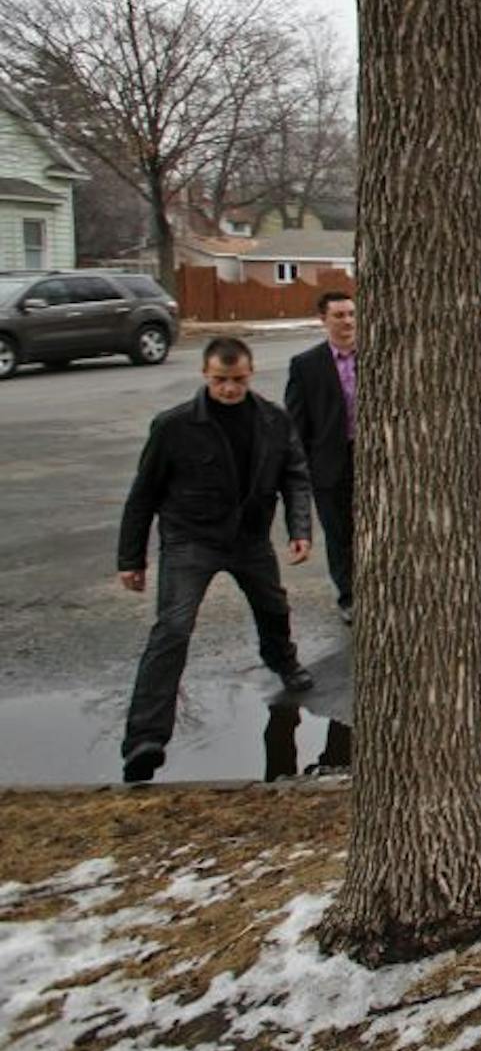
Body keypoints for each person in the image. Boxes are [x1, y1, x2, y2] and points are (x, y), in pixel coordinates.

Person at [118, 336, 314, 784]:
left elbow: (295, 476)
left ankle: (282, 659)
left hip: (249, 538)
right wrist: (131, 558)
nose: (229, 389)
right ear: (205, 376)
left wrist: (299, 529)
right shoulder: (175, 426)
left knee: (273, 607)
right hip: (191, 539)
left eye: (238, 380)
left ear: (251, 373)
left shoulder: (272, 420)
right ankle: (145, 740)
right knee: (172, 630)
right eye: (221, 380)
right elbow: (143, 493)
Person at [284, 290, 357, 624]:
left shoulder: (374, 357)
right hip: (329, 464)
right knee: (339, 534)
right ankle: (349, 596)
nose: (347, 322)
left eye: (351, 314)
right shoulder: (306, 365)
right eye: (339, 315)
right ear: (323, 320)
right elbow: (295, 424)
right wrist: (302, 467)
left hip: (371, 462)